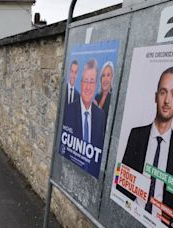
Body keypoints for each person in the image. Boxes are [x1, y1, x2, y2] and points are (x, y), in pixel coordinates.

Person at [117, 67, 173, 224]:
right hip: (131, 216)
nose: (167, 100)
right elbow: (122, 181)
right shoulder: (136, 135)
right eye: (163, 92)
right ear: (156, 97)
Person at [63, 59, 106, 147]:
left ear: (96, 85)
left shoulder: (100, 116)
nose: (87, 87)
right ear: (81, 83)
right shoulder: (68, 111)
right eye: (85, 81)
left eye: (91, 82)